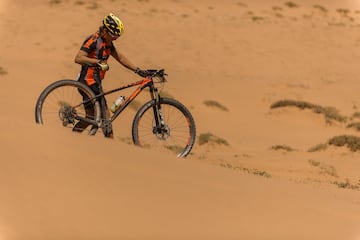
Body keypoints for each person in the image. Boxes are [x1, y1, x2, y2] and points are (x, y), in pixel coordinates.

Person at [72, 13, 149, 137]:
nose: (115, 39)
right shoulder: (93, 40)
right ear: (106, 31)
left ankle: (74, 136)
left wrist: (138, 70)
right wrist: (97, 62)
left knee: (91, 116)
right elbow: (78, 58)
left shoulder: (108, 43)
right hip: (87, 82)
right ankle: (110, 144)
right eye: (114, 36)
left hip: (96, 83)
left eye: (117, 37)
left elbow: (121, 58)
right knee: (106, 117)